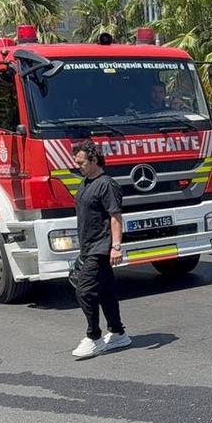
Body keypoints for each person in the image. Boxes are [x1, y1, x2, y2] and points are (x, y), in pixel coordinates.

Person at [71, 140, 130, 359]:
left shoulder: (106, 184)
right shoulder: (86, 182)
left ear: (94, 159)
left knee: (84, 291)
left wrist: (116, 246)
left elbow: (115, 216)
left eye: (82, 162)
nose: (78, 166)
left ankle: (94, 337)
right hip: (89, 247)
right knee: (105, 293)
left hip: (101, 247)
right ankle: (117, 333)